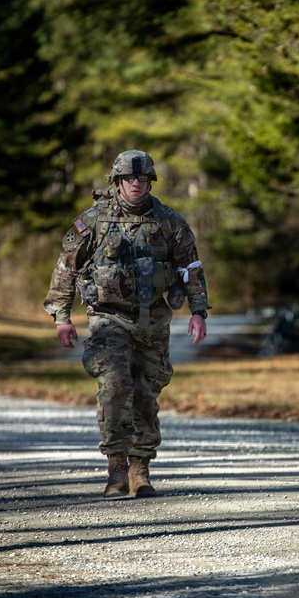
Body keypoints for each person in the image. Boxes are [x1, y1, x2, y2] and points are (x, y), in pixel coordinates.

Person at [43, 150, 210, 499]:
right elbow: (67, 268)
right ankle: (116, 469)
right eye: (129, 178)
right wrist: (61, 316)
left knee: (147, 395)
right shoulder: (94, 221)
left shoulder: (169, 221)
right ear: (117, 182)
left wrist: (198, 311)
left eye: (143, 178)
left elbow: (190, 268)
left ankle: (140, 469)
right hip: (108, 318)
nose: (137, 183)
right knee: (115, 386)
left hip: (153, 319)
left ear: (150, 181)